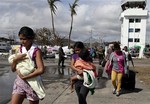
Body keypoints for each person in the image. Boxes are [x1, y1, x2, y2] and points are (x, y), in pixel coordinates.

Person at [9, 26, 45, 104]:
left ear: (31, 38)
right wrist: (15, 60)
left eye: (24, 39)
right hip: (19, 83)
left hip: (32, 83)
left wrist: (25, 77)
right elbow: (13, 69)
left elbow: (41, 69)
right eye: (20, 39)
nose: (22, 41)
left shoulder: (36, 51)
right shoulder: (20, 49)